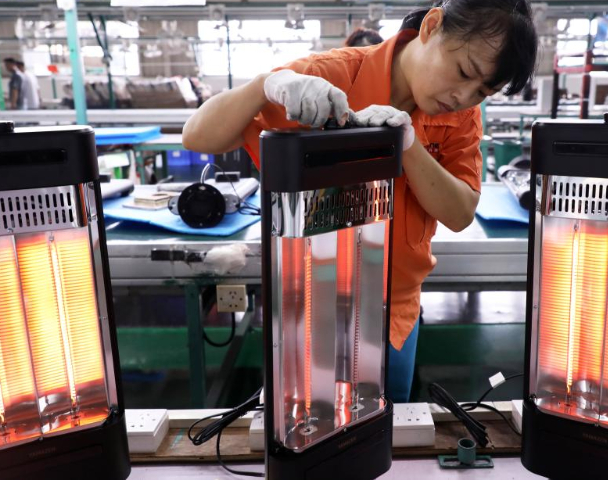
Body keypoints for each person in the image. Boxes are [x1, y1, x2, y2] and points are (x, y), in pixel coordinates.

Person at [183, 0, 537, 403]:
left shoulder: (461, 117)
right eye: (465, 73)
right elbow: (197, 136)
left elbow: (459, 213)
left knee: (386, 435)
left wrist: (406, 145)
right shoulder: (327, 76)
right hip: (313, 311)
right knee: (309, 431)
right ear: (432, 25)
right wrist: (265, 85)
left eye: (483, 91)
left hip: (395, 312)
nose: (463, 96)